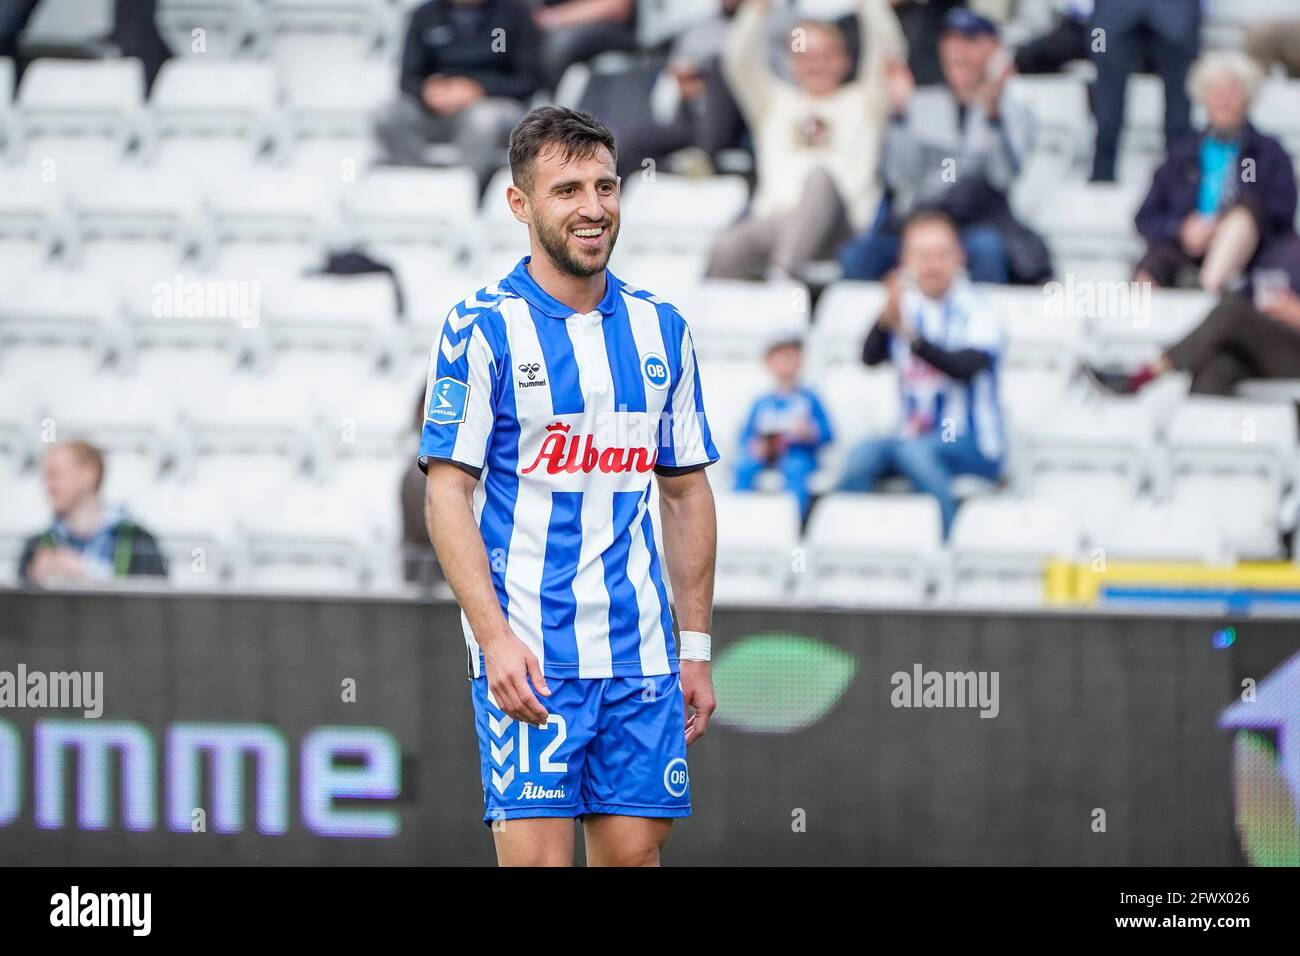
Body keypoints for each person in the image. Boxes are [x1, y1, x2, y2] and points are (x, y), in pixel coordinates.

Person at [420, 107, 719, 867]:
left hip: (642, 657)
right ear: (521, 204)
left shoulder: (664, 330)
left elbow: (685, 493)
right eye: (568, 191)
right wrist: (493, 639)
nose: (593, 208)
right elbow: (445, 494)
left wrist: (696, 647)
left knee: (631, 859)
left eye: (605, 186)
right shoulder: (480, 327)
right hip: (532, 656)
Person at [839, 8, 1050, 285]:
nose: (959, 51)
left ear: (996, 49)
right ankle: (883, 325)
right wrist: (900, 117)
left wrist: (993, 117)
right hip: (920, 219)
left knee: (987, 250)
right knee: (859, 256)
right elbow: (900, 178)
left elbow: (1003, 177)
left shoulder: (1015, 109)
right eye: (951, 41)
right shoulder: (917, 102)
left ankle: (978, 325)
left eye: (971, 40)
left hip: (975, 221)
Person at [706, 0, 906, 281]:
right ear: (791, 62)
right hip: (778, 221)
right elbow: (737, 61)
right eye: (806, 56)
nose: (816, 64)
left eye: (826, 55)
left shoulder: (865, 101)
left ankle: (780, 283)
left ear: (846, 60)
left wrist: (869, 5)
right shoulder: (773, 102)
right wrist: (757, 9)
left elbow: (890, 54)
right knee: (727, 247)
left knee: (819, 179)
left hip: (843, 229)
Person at [837, 210, 1005, 535]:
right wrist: (886, 316)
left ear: (959, 257)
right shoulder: (907, 307)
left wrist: (911, 337)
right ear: (906, 260)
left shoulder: (980, 310)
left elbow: (965, 368)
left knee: (917, 453)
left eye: (942, 255)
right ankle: (850, 542)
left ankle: (946, 546)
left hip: (973, 443)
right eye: (923, 255)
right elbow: (868, 358)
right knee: (861, 455)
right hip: (909, 437)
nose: (933, 264)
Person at [1133, 51, 1297, 295]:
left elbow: (1282, 213)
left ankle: (1206, 294)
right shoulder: (1182, 154)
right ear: (1203, 98)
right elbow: (1146, 217)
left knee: (1242, 218)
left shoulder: (1267, 152)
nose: (1224, 101)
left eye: (1232, 93)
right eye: (1216, 93)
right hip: (1184, 250)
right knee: (1147, 275)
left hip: (1251, 252)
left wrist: (1224, 226)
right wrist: (1182, 228)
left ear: (1248, 98)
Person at [1091, 234, 1300, 397]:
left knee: (1232, 311)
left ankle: (1142, 377)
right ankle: (1214, 445)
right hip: (1271, 349)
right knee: (1213, 370)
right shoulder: (1280, 250)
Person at [374, 0, 543, 187]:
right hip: (434, 108)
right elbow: (408, 78)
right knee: (389, 115)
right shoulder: (424, 14)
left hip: (494, 103)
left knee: (485, 119)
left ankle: (465, 190)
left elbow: (528, 80)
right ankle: (419, 186)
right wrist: (427, 91)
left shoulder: (515, 14)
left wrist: (478, 89)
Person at [19, 441, 167, 586]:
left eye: (55, 475)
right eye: (45, 477)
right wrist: (34, 585)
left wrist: (87, 576)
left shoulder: (139, 542)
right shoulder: (36, 547)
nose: (48, 486)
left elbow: (157, 606)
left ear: (89, 474)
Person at [1089, 0, 1200, 183]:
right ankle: (1100, 180)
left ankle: (1181, 183)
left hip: (1177, 14)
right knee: (1106, 113)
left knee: (1179, 116)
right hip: (1111, 16)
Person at [733, 333, 834, 520]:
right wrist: (755, 446)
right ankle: (740, 518)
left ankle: (792, 522)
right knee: (744, 466)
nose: (789, 362)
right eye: (782, 357)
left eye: (793, 357)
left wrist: (810, 432)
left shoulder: (809, 398)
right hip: (766, 455)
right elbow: (746, 435)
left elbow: (828, 433)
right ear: (769, 362)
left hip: (798, 453)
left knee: (796, 469)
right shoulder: (762, 402)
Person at [534, 0, 639, 91]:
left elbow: (618, 7)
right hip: (552, 28)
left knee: (561, 44)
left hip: (610, 28)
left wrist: (554, 18)